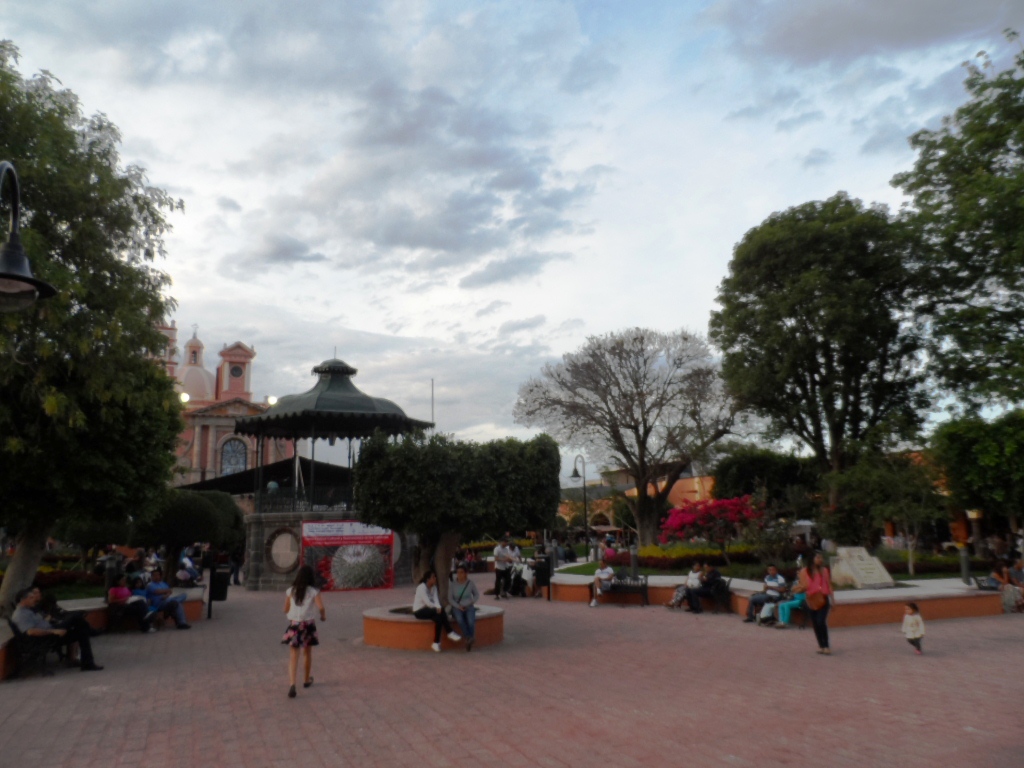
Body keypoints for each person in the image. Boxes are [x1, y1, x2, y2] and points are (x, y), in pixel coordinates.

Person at [11, 586, 104, 671]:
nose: (34, 599)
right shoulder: (21, 614)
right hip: (47, 637)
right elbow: (31, 632)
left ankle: (88, 663)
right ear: (23, 600)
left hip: (50, 631)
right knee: (76, 616)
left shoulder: (28, 610)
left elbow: (39, 623)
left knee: (82, 631)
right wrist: (53, 631)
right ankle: (92, 633)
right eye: (31, 598)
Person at [281, 564, 326, 698]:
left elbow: (285, 609)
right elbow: (321, 607)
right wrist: (323, 616)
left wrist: (291, 613)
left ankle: (292, 684)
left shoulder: (291, 590)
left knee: (293, 655)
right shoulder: (313, 591)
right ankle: (306, 679)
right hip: (308, 625)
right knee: (307, 652)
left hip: (295, 625)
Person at [413, 570, 461, 652]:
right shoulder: (421, 588)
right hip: (419, 611)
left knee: (438, 619)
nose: (435, 578)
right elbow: (427, 602)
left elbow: (436, 600)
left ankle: (436, 643)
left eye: (435, 577)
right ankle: (450, 632)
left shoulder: (434, 587)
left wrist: (438, 607)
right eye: (433, 577)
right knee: (441, 611)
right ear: (428, 579)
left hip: (430, 610)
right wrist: (437, 608)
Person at [802, 552, 834, 654]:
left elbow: (829, 585)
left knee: (821, 621)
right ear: (812, 559)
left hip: (823, 599)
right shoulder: (805, 571)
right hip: (811, 599)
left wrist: (833, 599)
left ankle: (826, 646)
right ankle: (821, 646)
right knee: (815, 623)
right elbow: (803, 585)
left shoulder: (824, 571)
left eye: (821, 558)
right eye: (818, 557)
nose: (820, 559)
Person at [449, 564, 479, 652]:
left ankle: (468, 640)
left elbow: (476, 594)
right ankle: (469, 637)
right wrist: (458, 606)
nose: (459, 574)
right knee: (460, 619)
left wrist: (472, 602)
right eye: (458, 572)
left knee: (471, 621)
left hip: (468, 605)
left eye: (461, 572)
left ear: (466, 573)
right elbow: (450, 599)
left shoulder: (470, 583)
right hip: (457, 606)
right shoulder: (453, 584)